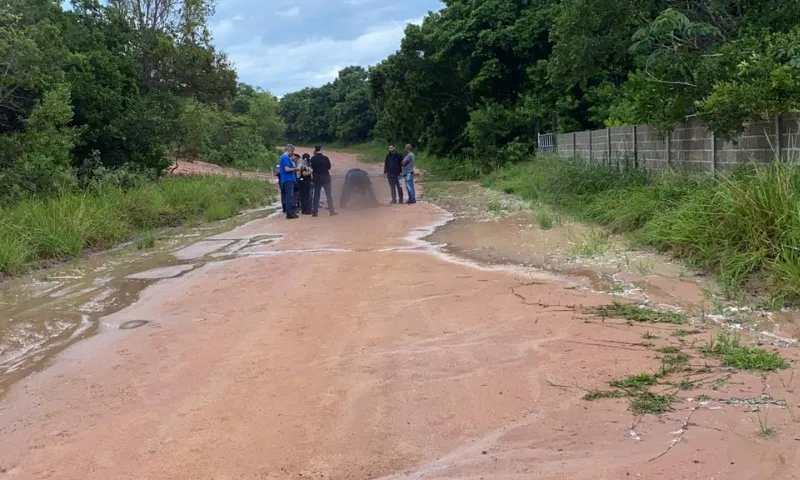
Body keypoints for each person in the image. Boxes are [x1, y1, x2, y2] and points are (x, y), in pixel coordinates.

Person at [310, 145, 337, 217]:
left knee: (316, 196)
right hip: (326, 178)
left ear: (315, 150)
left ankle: (315, 212)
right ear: (321, 149)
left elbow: (312, 168)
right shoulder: (325, 158)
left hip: (317, 179)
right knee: (329, 196)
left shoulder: (312, 159)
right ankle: (331, 211)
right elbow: (329, 167)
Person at [279, 145, 300, 219]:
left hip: (288, 179)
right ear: (289, 150)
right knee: (289, 196)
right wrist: (295, 169)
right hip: (288, 179)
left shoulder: (285, 157)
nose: (293, 153)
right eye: (292, 151)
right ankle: (289, 213)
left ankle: (290, 212)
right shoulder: (285, 157)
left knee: (289, 196)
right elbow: (286, 169)